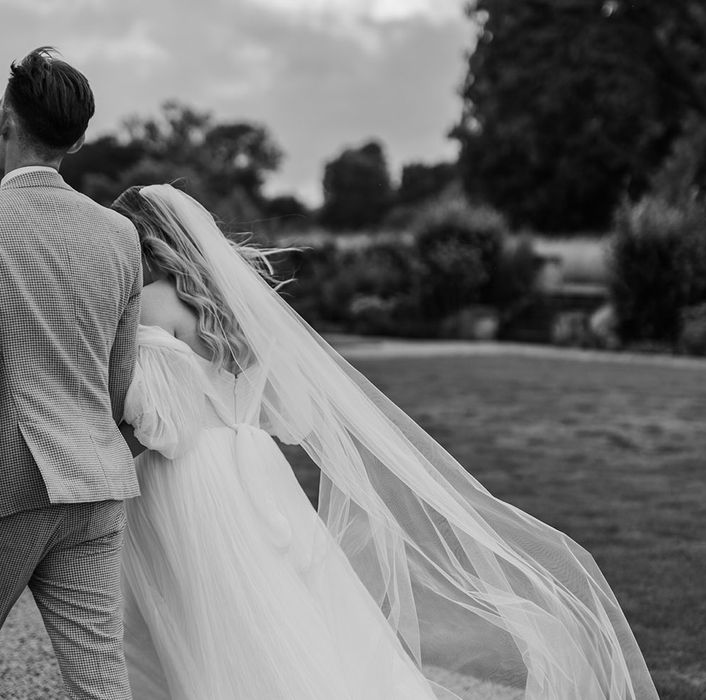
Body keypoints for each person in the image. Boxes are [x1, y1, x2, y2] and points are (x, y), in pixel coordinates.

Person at [113, 183, 659, 700]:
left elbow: (162, 423)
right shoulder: (233, 305)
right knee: (280, 602)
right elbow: (288, 412)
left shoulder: (155, 302)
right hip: (255, 463)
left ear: (146, 242)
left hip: (189, 474)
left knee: (205, 614)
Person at [0, 48, 142, 699]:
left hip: (10, 484)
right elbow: (120, 381)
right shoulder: (118, 235)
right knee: (100, 680)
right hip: (95, 480)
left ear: (6, 121)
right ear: (79, 136)